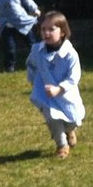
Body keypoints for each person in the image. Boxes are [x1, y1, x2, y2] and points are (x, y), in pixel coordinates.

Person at [26, 10, 85, 159]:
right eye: (43, 29)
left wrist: (60, 88)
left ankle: (70, 130)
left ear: (63, 32)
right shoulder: (37, 51)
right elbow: (31, 65)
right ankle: (61, 145)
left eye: (51, 29)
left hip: (66, 94)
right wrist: (34, 82)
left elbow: (74, 77)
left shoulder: (70, 55)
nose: (46, 33)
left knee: (73, 120)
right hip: (45, 92)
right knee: (52, 118)